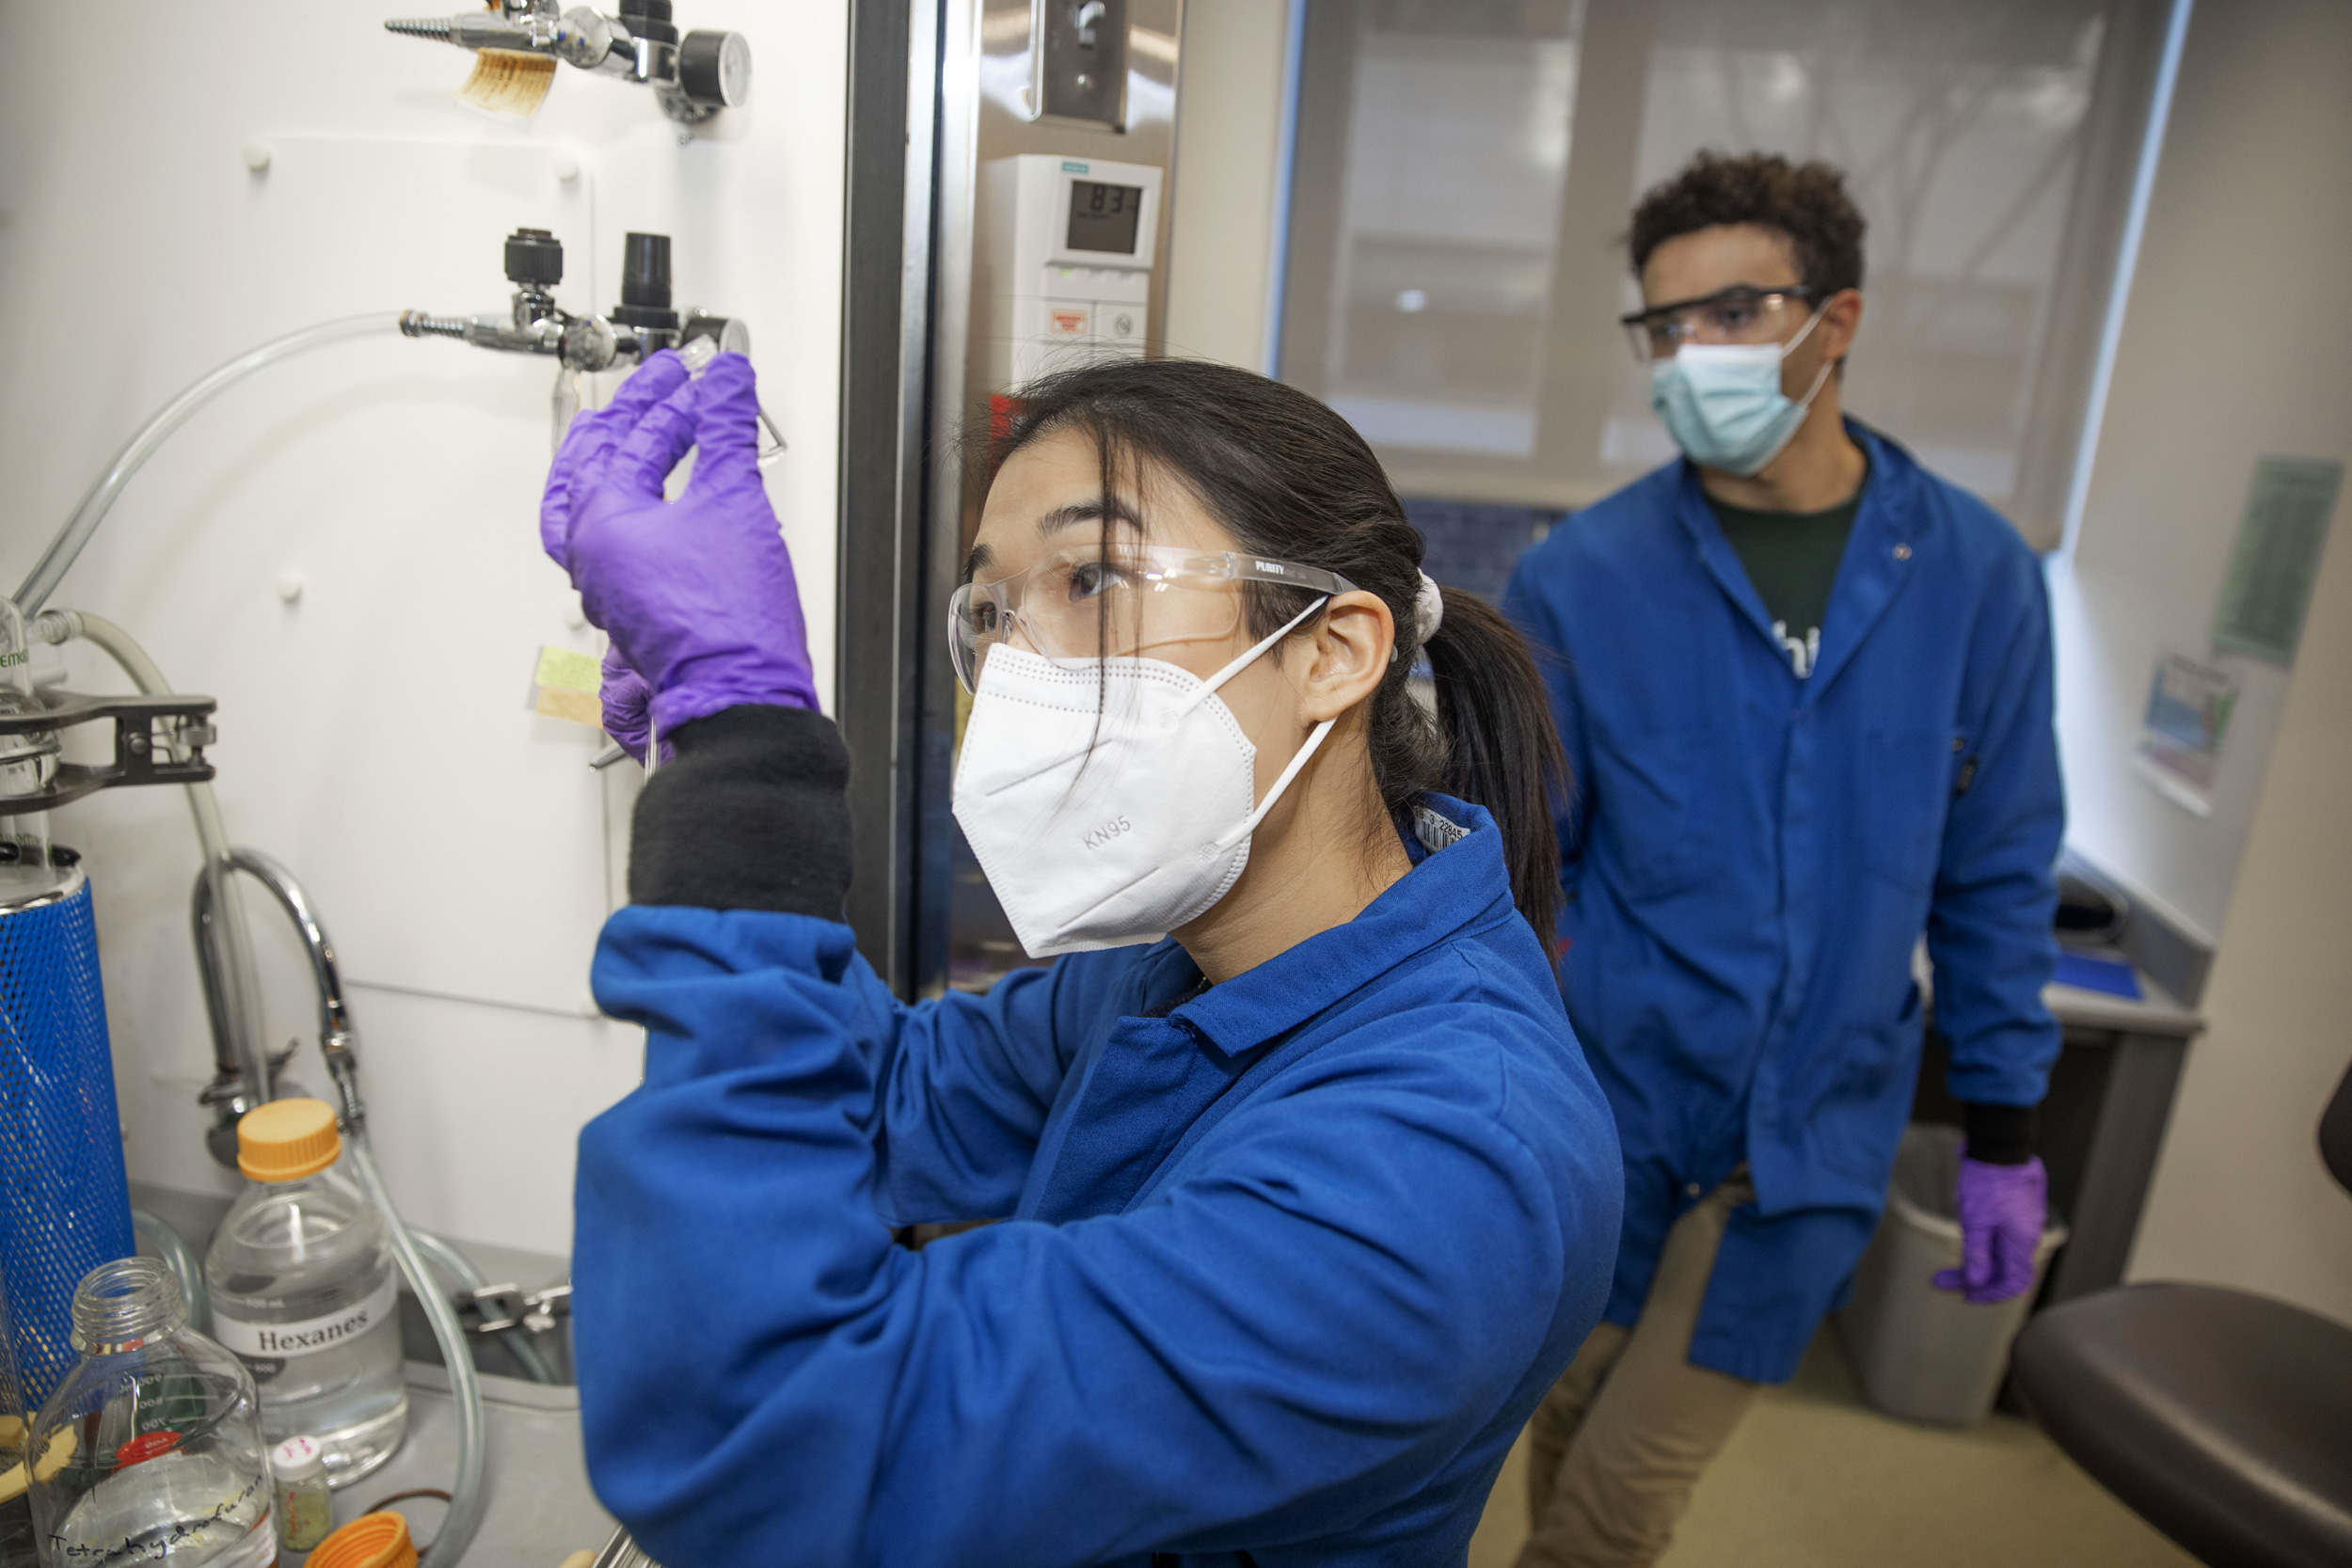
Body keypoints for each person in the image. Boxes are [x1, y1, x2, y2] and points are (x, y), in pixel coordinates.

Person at [542, 350, 1626, 1567]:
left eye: (1093, 578)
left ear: (1333, 652)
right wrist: (713, 764)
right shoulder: (1188, 959)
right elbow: (887, 1095)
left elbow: (778, 1449)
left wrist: (756, 768)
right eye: (995, 611)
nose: (1016, 670)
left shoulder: (1457, 1163)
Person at [1501, 151, 2063, 1567]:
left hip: (1809, 1135)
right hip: (1612, 1110)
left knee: (1615, 1510)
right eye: (1665, 325)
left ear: (1839, 320)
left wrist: (2001, 1134)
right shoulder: (1583, 579)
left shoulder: (1980, 576)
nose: (1695, 356)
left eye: (1736, 313)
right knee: (1558, 1429)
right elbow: (1524, 875)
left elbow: (1996, 870)